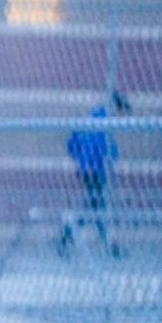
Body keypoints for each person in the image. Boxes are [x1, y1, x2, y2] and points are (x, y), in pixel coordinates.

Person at [59, 90, 130, 257]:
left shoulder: (94, 116)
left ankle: (105, 244)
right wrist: (107, 161)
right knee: (95, 207)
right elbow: (106, 149)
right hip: (96, 171)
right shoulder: (104, 122)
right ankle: (70, 235)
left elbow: (73, 140)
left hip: (89, 170)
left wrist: (80, 160)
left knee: (96, 207)